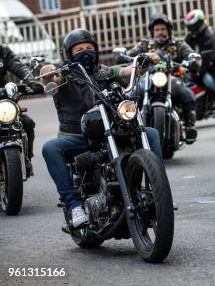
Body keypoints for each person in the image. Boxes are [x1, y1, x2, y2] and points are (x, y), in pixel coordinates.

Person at [40, 29, 163, 228]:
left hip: (109, 133)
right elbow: (49, 79)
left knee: (152, 134)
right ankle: (74, 206)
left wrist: (144, 61)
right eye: (79, 49)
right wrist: (47, 70)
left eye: (89, 48)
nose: (85, 52)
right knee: (50, 148)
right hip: (76, 136)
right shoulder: (64, 76)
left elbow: (125, 71)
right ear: (69, 54)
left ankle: (159, 192)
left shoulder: (104, 72)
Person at [127, 14, 198, 142]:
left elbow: (189, 54)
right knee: (130, 95)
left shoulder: (178, 43)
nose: (160, 32)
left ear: (169, 30)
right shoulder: (145, 44)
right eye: (157, 29)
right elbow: (130, 54)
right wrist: (125, 56)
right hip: (148, 78)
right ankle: (128, 127)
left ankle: (190, 126)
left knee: (187, 94)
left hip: (172, 78)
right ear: (152, 32)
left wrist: (192, 59)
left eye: (163, 29)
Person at [0, 45, 42, 175]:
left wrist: (32, 82)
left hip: (3, 102)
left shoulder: (2, 52)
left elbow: (19, 67)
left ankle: (26, 159)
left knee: (26, 123)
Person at [184, 9, 215, 98]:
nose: (191, 29)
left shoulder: (209, 36)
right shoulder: (192, 35)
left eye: (194, 26)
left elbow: (206, 60)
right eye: (190, 26)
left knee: (209, 81)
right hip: (201, 66)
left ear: (199, 23)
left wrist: (195, 74)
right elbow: (184, 48)